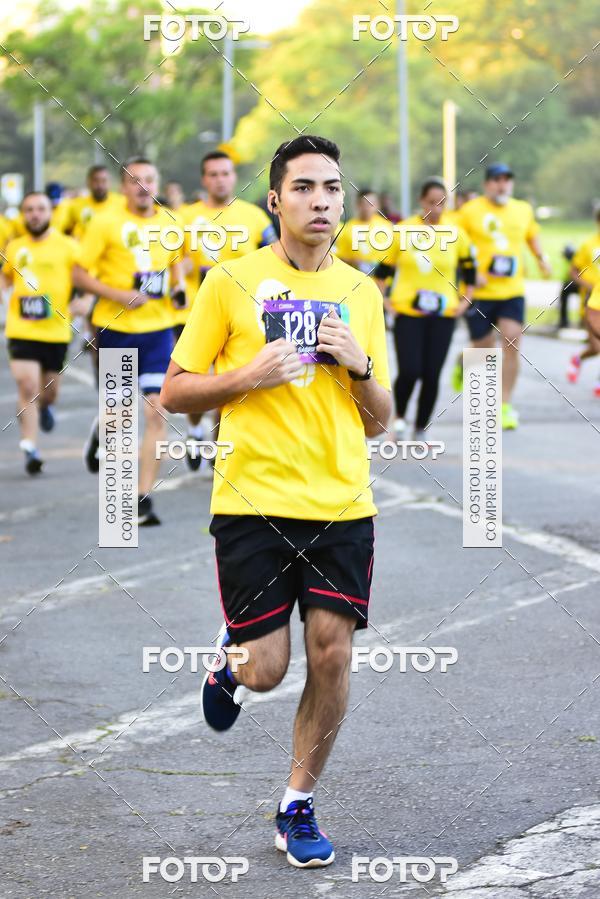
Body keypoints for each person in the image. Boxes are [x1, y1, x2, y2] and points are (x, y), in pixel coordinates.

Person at [160, 135, 391, 868]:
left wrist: (358, 367)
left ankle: (298, 803)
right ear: (275, 200)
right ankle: (229, 666)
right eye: (303, 187)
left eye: (331, 187)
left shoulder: (362, 292)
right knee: (268, 667)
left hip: (341, 504)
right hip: (253, 501)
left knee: (331, 654)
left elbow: (381, 419)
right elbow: (175, 391)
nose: (320, 199)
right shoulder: (230, 281)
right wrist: (246, 376)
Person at [73, 156, 187, 525]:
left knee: (157, 411)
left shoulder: (171, 223)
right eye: (135, 181)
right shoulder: (104, 224)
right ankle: (100, 432)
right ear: (124, 187)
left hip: (158, 331)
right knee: (120, 419)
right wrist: (117, 294)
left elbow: (179, 264)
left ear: (157, 182)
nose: (143, 187)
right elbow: (77, 273)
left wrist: (181, 286)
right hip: (116, 328)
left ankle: (141, 498)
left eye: (149, 179)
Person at [175, 150, 277, 469]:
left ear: (234, 177)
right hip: (194, 315)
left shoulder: (255, 217)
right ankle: (194, 429)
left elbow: (274, 259)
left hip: (241, 317)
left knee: (229, 387)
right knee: (196, 382)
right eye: (213, 174)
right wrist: (179, 279)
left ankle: (223, 456)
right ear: (204, 179)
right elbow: (171, 262)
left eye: (225, 173)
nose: (220, 180)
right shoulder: (184, 218)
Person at [375, 177, 475, 438]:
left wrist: (465, 302)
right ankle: (398, 417)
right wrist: (385, 302)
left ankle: (421, 427)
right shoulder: (403, 231)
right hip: (408, 313)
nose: (437, 208)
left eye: (442, 202)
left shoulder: (456, 233)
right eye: (432, 202)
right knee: (410, 370)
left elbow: (470, 271)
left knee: (432, 374)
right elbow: (381, 272)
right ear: (421, 201)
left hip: (443, 315)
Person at [453, 163, 551, 430]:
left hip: (512, 290)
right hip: (481, 292)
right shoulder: (470, 212)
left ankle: (504, 406)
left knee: (511, 341)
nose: (502, 185)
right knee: (485, 349)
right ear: (487, 185)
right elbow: (455, 243)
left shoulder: (522, 209)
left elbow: (532, 236)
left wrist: (541, 259)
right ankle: (464, 360)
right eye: (497, 180)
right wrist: (471, 272)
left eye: (507, 180)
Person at [1, 192, 80, 475]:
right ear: (23, 214)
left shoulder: (69, 246)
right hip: (21, 329)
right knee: (27, 387)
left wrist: (83, 300)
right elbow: (6, 277)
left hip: (56, 331)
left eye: (40, 209)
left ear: (51, 213)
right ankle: (30, 447)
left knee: (48, 392)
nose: (35, 214)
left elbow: (85, 277)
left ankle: (47, 407)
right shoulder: (15, 247)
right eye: (29, 210)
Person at [566, 210, 600, 393]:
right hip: (592, 303)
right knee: (596, 348)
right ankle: (578, 358)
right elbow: (573, 271)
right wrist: (588, 286)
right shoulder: (589, 245)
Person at [334, 187, 393, 275]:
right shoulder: (348, 229)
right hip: (356, 280)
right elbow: (341, 257)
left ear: (377, 205)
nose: (368, 207)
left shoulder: (387, 227)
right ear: (358, 205)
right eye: (365, 203)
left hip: (383, 282)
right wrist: (355, 262)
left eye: (371, 203)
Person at [59, 165, 124, 239]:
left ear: (109, 182)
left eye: (104, 181)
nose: (100, 185)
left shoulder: (121, 202)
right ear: (88, 182)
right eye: (96, 181)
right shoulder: (77, 204)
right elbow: (66, 230)